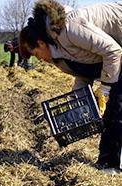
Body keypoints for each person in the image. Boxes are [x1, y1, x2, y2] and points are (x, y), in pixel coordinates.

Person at [19, 0, 122, 174]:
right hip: (114, 54)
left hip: (117, 46)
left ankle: (110, 165)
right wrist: (77, 103)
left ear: (41, 43)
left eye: (35, 54)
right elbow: (83, 72)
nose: (38, 59)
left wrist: (105, 89)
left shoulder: (69, 28)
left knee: (116, 104)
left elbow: (113, 51)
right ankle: (108, 163)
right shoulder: (58, 59)